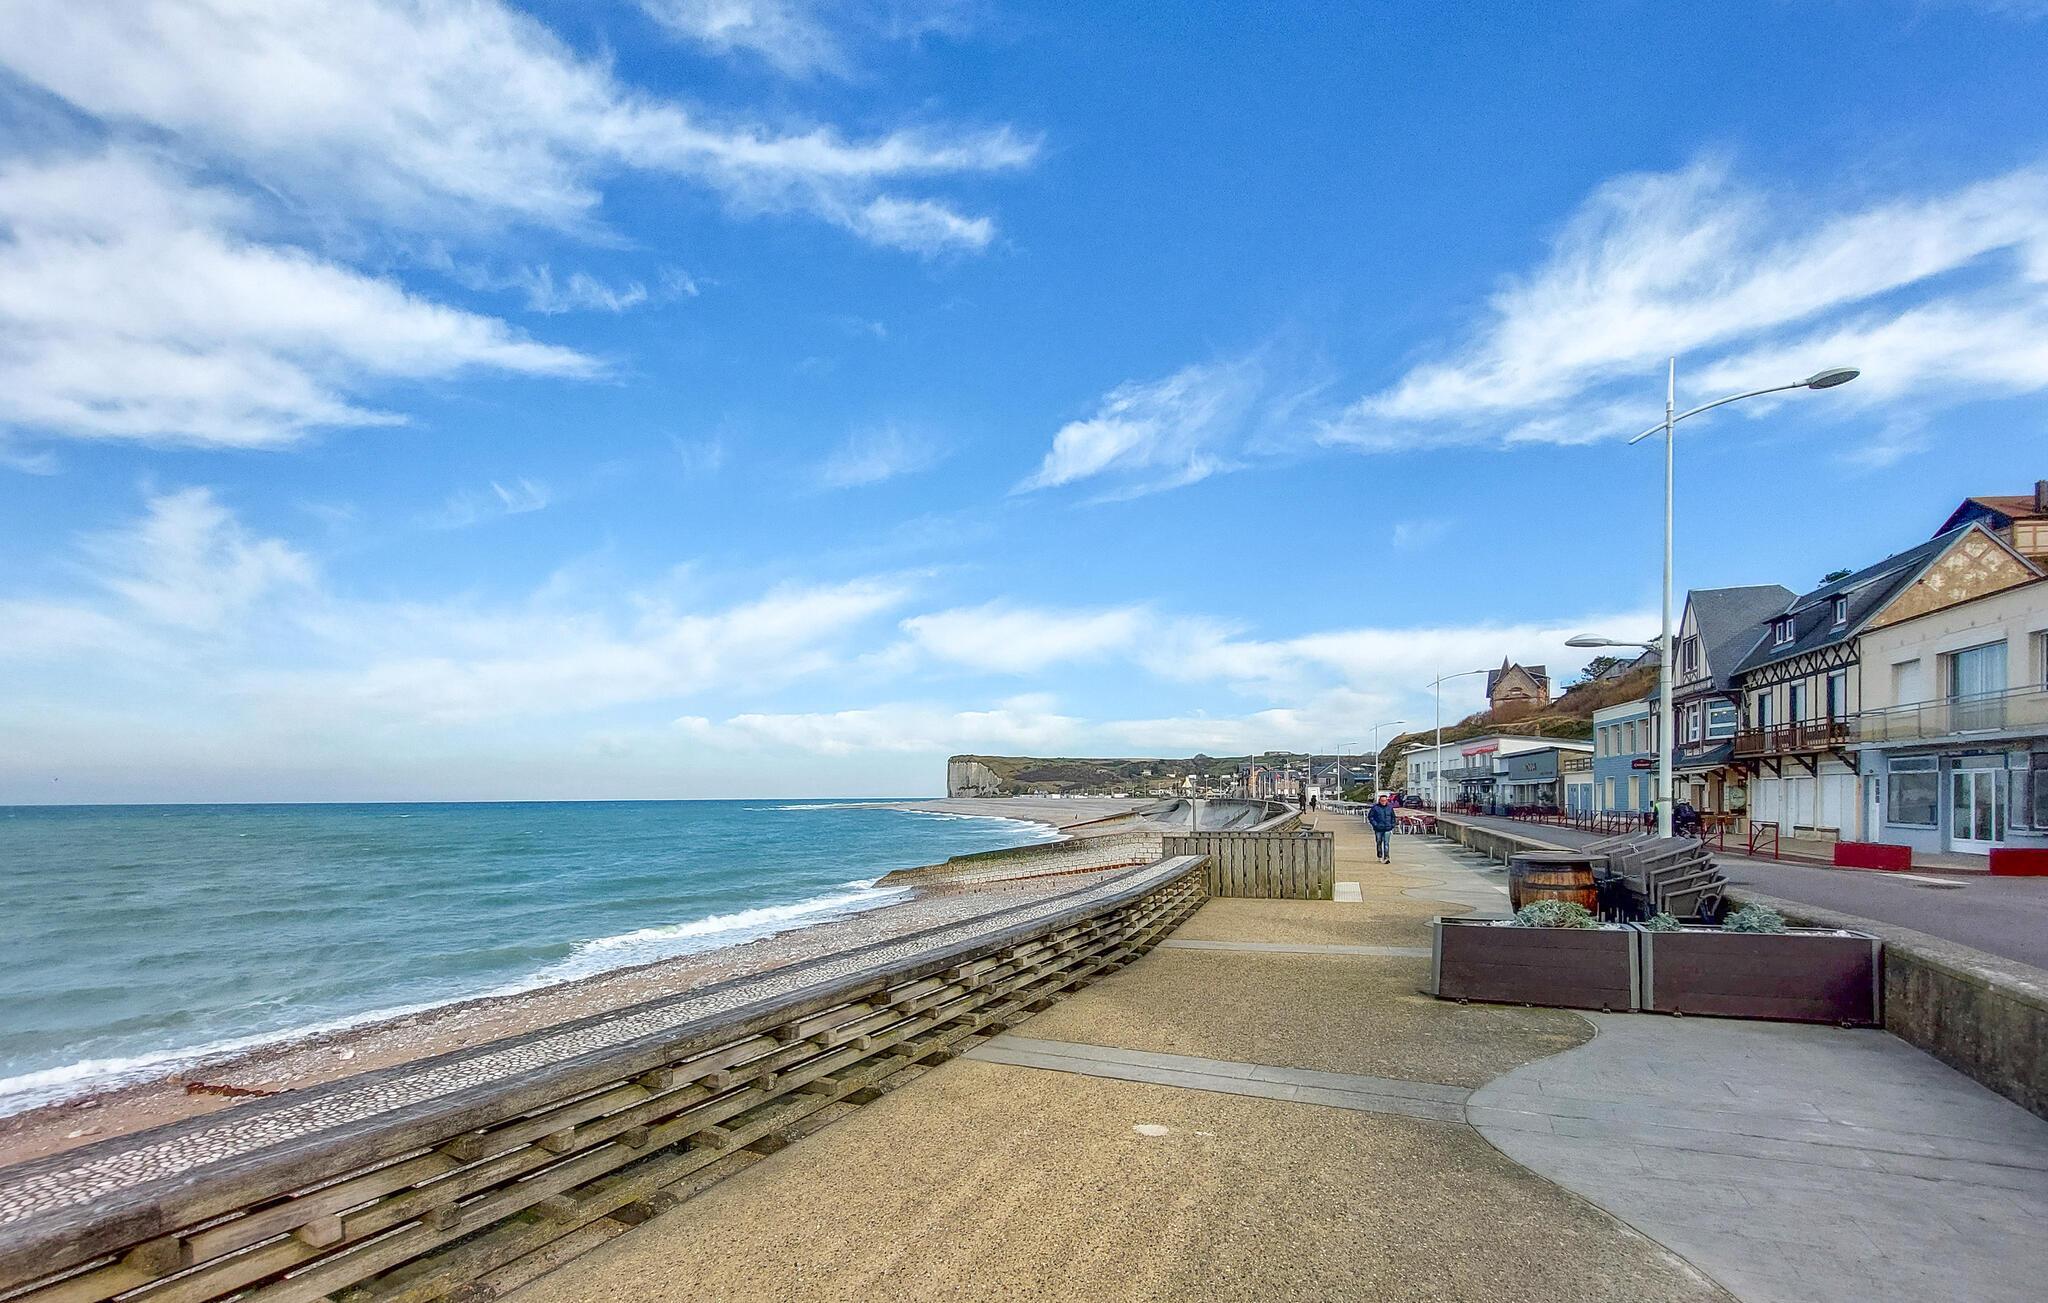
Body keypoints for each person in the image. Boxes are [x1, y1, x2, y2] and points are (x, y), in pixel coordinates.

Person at [1367, 793, 1397, 863]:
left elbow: (1393, 817)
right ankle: (1379, 856)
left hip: (1387, 828)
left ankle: (1386, 857)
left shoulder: (1390, 808)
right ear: (1379, 801)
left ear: (1387, 801)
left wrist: (1392, 825)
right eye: (1382, 800)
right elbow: (1370, 817)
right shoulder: (1375, 808)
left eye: (1385, 800)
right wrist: (1375, 825)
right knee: (1379, 842)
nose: (1383, 802)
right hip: (1378, 829)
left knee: (1386, 843)